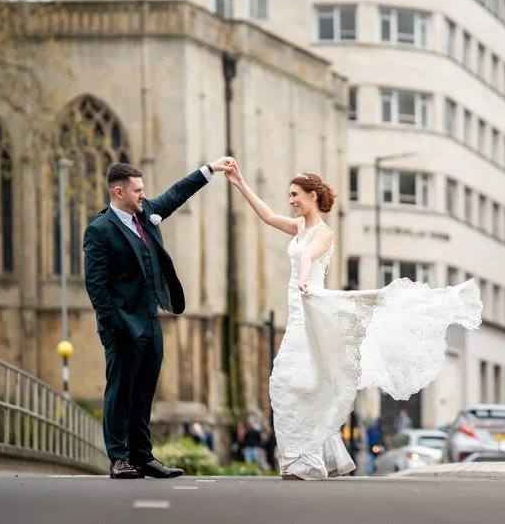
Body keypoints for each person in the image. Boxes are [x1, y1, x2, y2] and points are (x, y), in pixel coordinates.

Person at [225, 167, 482, 480]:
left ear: (312, 196)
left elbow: (307, 258)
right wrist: (240, 183)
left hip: (311, 304)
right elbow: (266, 216)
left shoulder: (323, 233)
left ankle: (301, 461)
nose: (290, 200)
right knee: (296, 382)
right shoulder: (299, 227)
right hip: (298, 311)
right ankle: (304, 458)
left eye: (295, 194)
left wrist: (304, 279)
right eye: (289, 195)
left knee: (289, 381)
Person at [83, 158, 233, 479]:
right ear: (119, 192)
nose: (143, 194)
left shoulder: (146, 213)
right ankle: (118, 458)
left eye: (143, 189)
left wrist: (211, 169)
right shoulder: (100, 230)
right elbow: (96, 286)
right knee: (120, 391)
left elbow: (178, 193)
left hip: (151, 321)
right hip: (122, 325)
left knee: (145, 391)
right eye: (137, 190)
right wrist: (114, 325)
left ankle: (142, 456)